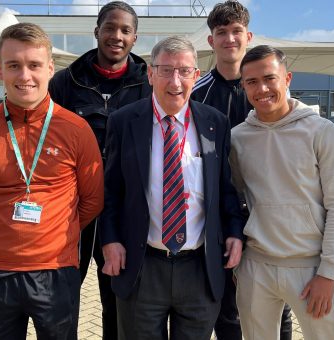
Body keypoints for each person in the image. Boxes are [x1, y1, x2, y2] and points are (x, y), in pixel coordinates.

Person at [0, 23, 104, 340]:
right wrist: (1, 235)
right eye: (14, 65)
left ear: (50, 68)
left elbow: (92, 200)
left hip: (57, 271)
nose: (25, 76)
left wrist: (56, 235)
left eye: (34, 65)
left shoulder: (76, 129)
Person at [100, 35, 245, 340]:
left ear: (196, 75)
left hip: (200, 268)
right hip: (142, 266)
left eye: (184, 71)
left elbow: (225, 188)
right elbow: (111, 189)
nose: (175, 81)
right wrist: (110, 240)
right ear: (150, 74)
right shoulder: (124, 121)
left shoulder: (215, 123)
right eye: (165, 70)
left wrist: (234, 231)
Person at [230, 45, 334, 340]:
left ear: (287, 79)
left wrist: (328, 272)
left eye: (270, 78)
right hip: (256, 265)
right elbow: (236, 198)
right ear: (243, 86)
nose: (262, 89)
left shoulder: (321, 131)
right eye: (252, 82)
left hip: (310, 268)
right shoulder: (237, 138)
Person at [48, 2, 150, 338]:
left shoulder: (148, 85)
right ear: (97, 32)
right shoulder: (64, 82)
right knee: (62, 297)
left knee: (118, 302)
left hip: (123, 211)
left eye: (125, 30)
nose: (116, 36)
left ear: (135, 38)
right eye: (110, 28)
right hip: (71, 211)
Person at [191, 2, 292, 339]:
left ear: (248, 36)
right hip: (218, 215)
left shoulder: (269, 92)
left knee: (280, 308)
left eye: (236, 31)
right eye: (222, 33)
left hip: (270, 214)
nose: (229, 39)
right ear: (211, 41)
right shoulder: (196, 95)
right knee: (228, 309)